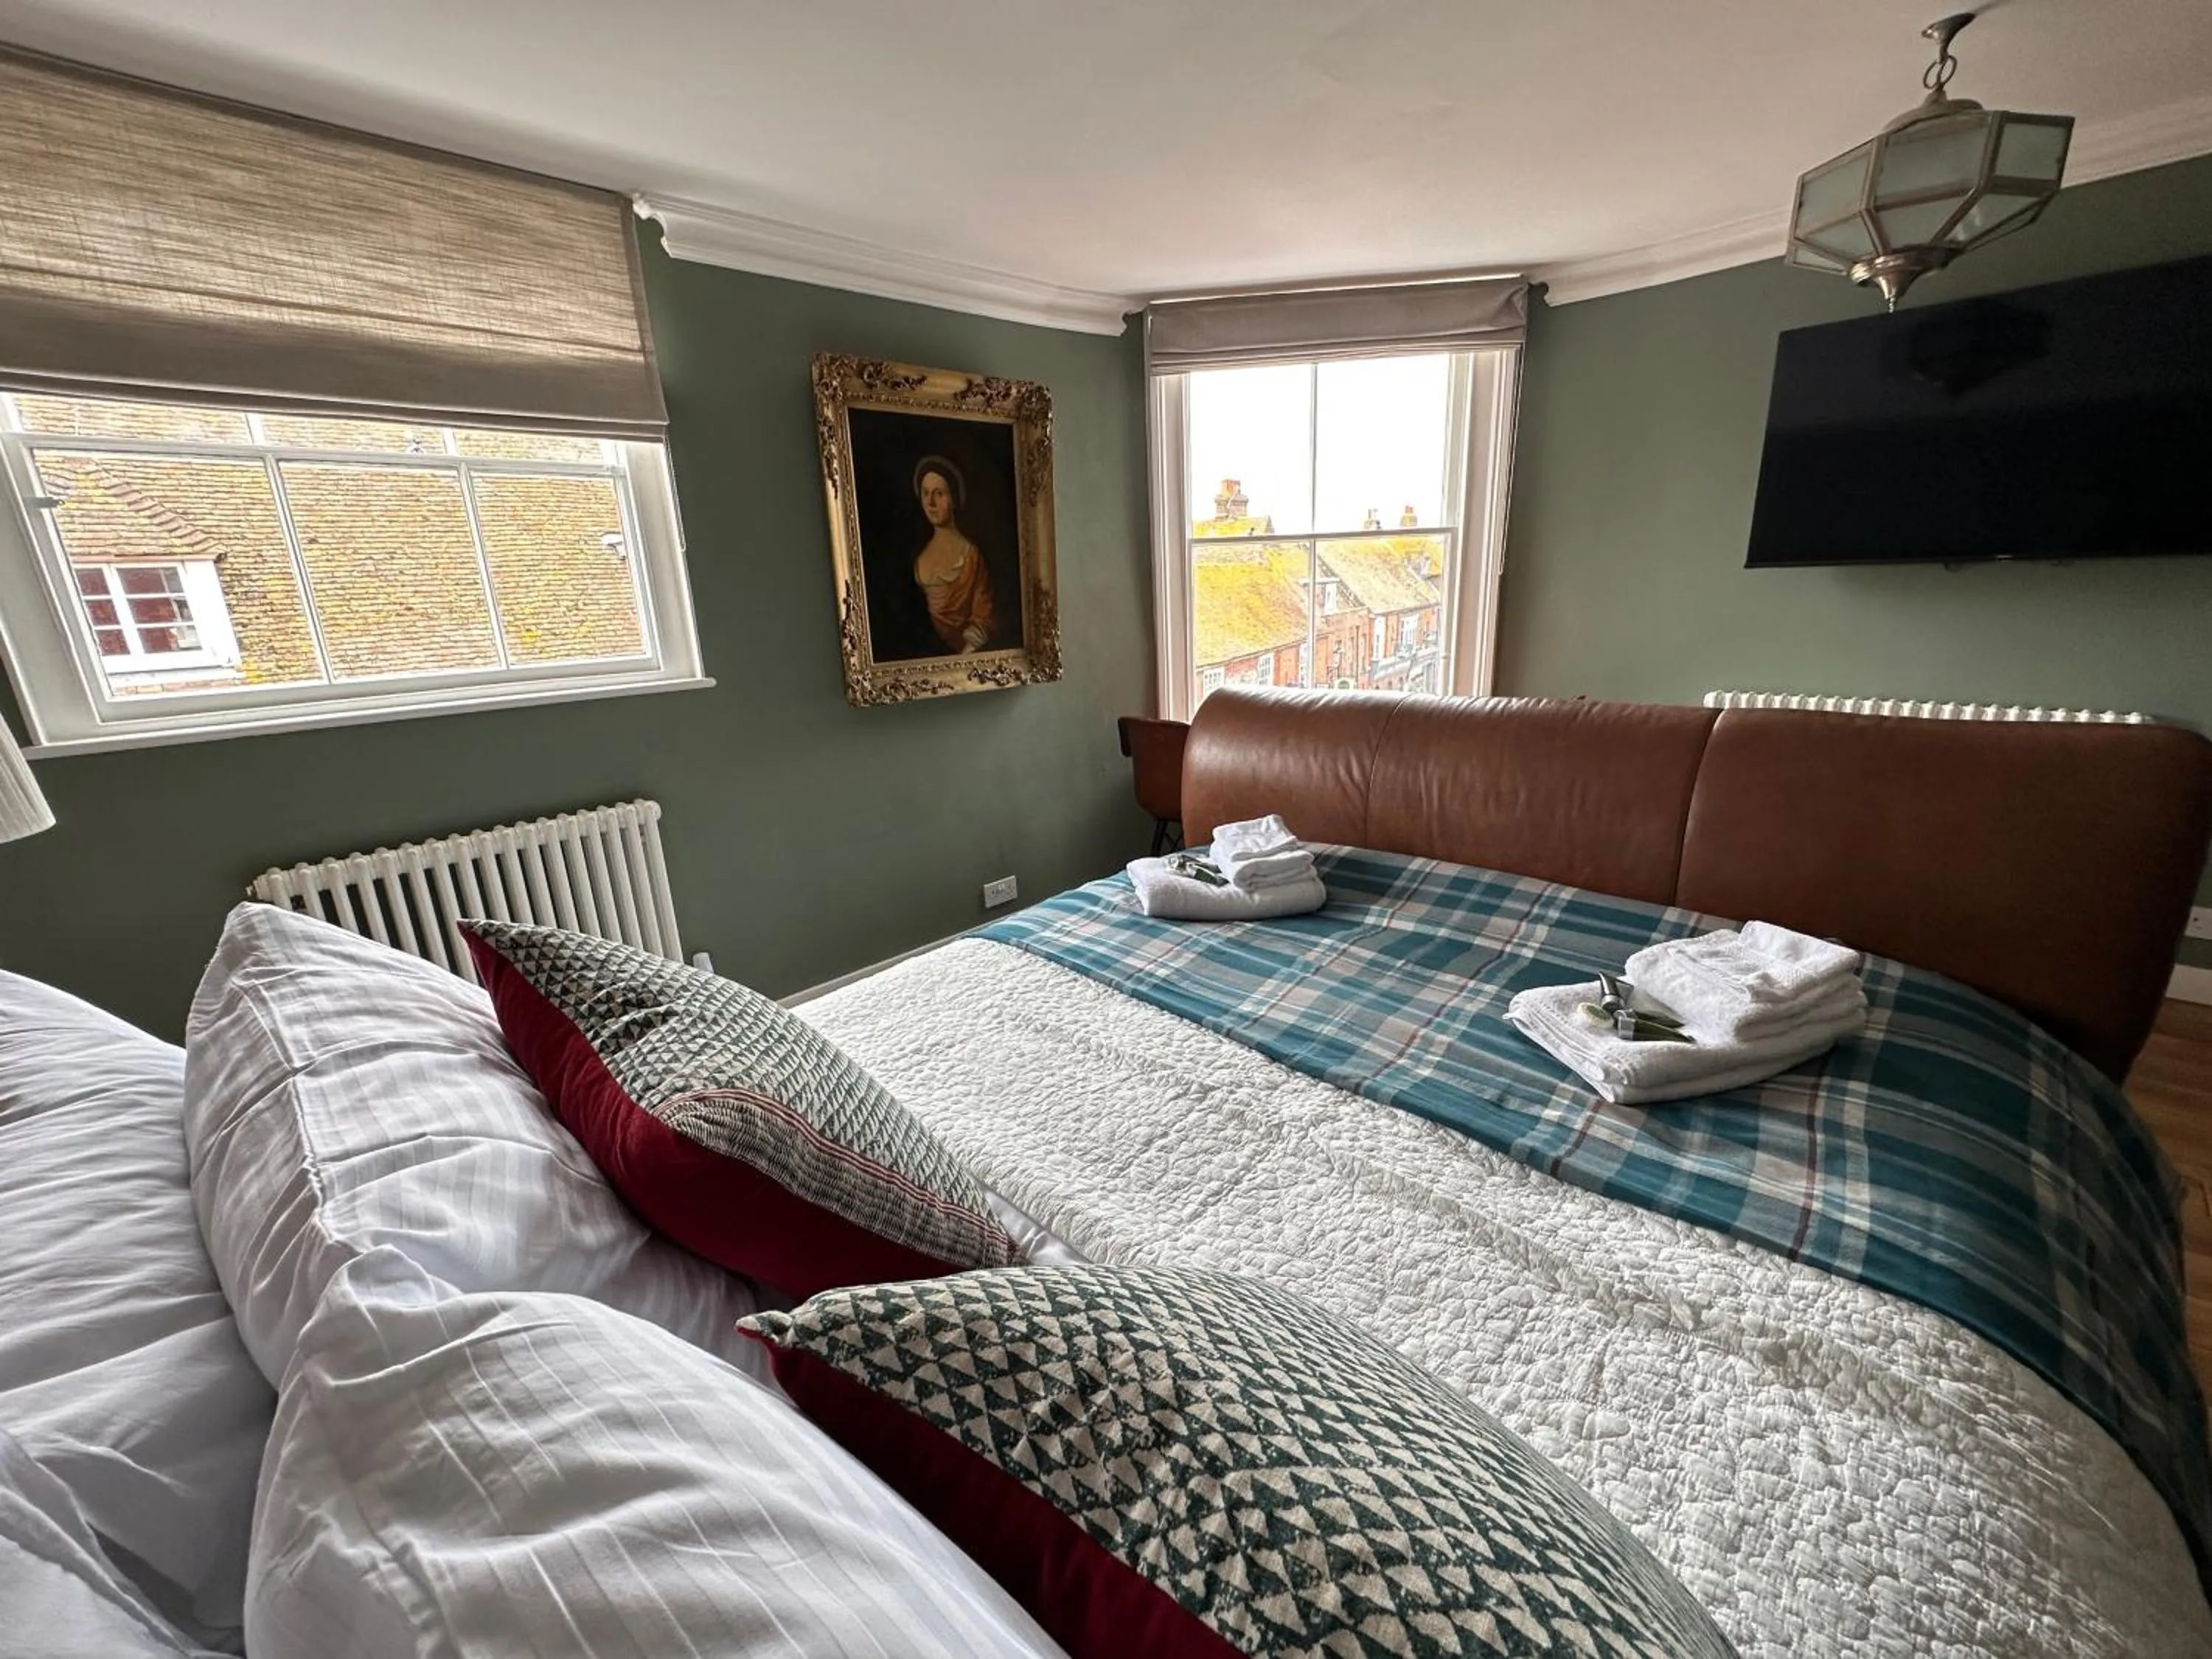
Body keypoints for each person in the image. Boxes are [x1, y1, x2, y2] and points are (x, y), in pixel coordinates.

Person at [910, 456, 996, 654]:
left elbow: (984, 617)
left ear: (954, 499)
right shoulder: (919, 561)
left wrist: (961, 658)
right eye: (925, 494)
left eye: (939, 494)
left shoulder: (971, 556)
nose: (931, 503)